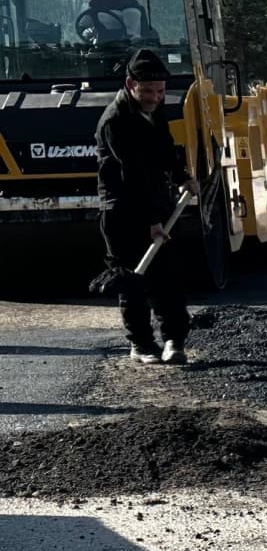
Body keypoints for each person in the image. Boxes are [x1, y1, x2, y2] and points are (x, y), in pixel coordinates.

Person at [95, 48, 194, 365]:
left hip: (157, 203)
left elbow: (164, 150)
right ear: (130, 85)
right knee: (133, 280)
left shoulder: (154, 111)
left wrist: (183, 177)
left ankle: (174, 341)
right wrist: (151, 220)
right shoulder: (116, 121)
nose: (155, 97)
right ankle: (141, 344)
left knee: (169, 276)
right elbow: (134, 174)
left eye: (160, 91)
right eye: (148, 91)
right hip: (123, 210)